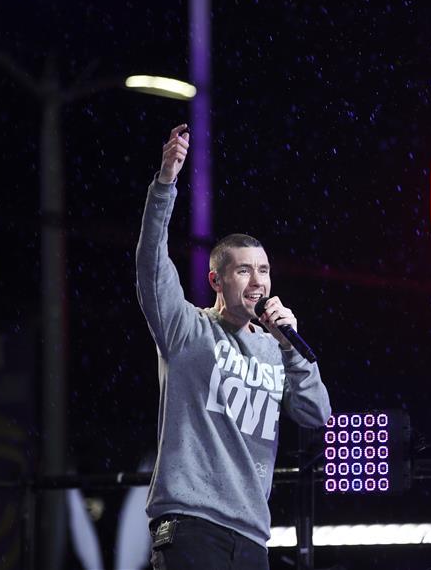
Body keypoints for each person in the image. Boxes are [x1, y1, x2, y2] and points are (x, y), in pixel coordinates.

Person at [135, 124, 331, 569]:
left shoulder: (277, 348)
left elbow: (316, 413)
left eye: (263, 270)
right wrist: (165, 184)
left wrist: (290, 347)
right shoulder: (186, 329)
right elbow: (151, 263)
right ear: (216, 280)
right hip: (191, 524)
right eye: (243, 271)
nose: (257, 281)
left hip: (251, 536)